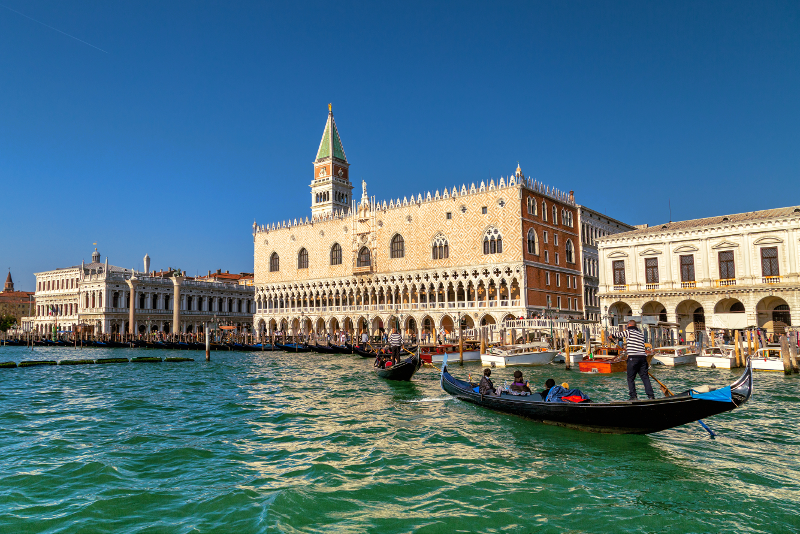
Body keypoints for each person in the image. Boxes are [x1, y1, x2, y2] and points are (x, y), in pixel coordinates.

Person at [609, 320, 655, 400]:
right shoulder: (641, 334)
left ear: (629, 325)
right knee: (645, 378)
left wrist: (611, 336)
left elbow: (617, 334)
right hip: (643, 358)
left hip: (633, 358)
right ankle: (651, 396)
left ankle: (633, 396)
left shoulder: (628, 332)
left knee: (630, 378)